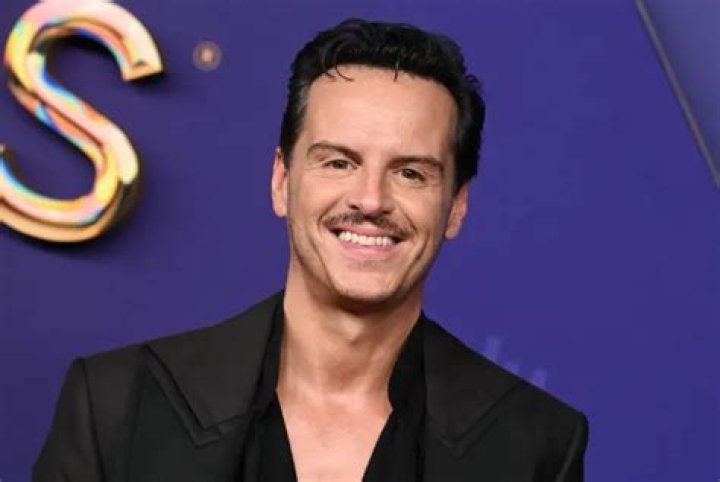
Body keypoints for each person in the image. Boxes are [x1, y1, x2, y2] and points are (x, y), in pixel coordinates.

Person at [34, 19, 588, 481]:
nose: (371, 200)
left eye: (411, 173)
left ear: (457, 205)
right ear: (282, 181)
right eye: (339, 162)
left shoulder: (536, 444)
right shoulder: (115, 404)